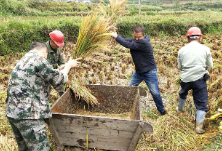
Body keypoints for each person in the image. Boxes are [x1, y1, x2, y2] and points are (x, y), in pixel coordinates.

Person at [5, 41, 81, 151]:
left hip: (13, 113)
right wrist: (69, 66)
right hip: (28, 115)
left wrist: (60, 69)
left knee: (24, 148)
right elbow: (58, 80)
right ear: (45, 51)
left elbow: (44, 74)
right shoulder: (39, 59)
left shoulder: (24, 60)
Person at [111, 25, 166, 115]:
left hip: (149, 72)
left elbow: (127, 44)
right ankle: (128, 108)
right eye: (135, 37)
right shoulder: (137, 40)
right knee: (130, 89)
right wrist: (117, 36)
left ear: (143, 35)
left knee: (155, 92)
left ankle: (162, 110)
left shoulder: (144, 43)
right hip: (139, 72)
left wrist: (116, 37)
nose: (136, 39)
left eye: (138, 37)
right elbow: (127, 40)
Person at [177, 27, 213, 134]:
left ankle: (180, 110)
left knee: (183, 93)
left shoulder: (181, 50)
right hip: (199, 79)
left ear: (188, 38)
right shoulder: (205, 49)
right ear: (200, 37)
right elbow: (210, 65)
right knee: (201, 102)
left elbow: (180, 67)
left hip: (186, 79)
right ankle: (199, 127)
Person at [46, 30, 66, 96]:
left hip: (54, 74)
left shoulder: (57, 49)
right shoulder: (44, 50)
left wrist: (63, 67)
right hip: (44, 75)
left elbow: (61, 61)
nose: (58, 47)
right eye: (57, 45)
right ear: (52, 41)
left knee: (63, 90)